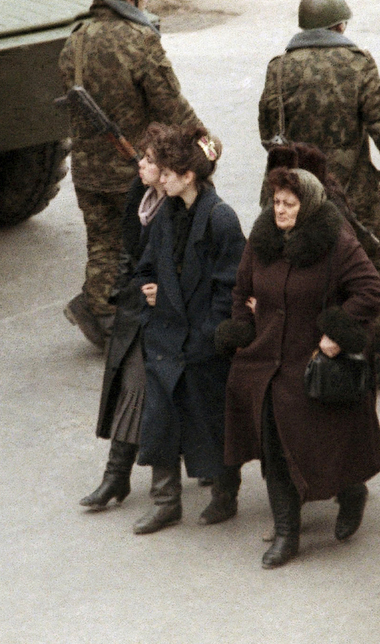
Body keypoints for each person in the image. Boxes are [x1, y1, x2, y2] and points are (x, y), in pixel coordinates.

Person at [218, 167, 380, 568]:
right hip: (267, 360)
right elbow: (242, 288)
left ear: (307, 205)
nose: (280, 210)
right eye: (276, 202)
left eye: (289, 204)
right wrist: (243, 326)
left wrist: (336, 331)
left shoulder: (337, 242)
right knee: (274, 448)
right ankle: (286, 534)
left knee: (328, 445)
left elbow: (370, 289)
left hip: (311, 360)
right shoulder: (262, 240)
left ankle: (351, 493)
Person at [56, 0, 204, 348]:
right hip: (132, 168)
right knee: (147, 243)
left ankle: (100, 311)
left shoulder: (76, 39)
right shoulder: (140, 41)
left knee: (103, 241)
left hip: (87, 169)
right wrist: (204, 140)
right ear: (133, 0)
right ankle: (138, 317)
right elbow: (170, 105)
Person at [130, 127, 245, 534]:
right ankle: (166, 502)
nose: (160, 177)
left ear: (189, 175)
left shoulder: (220, 219)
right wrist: (147, 289)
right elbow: (146, 264)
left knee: (213, 424)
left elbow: (231, 288)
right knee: (160, 422)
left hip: (200, 346)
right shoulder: (167, 214)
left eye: (168, 172)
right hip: (166, 337)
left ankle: (224, 495)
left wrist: (207, 338)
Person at [257, 0, 380, 231]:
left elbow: (268, 133)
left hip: (293, 195)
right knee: (356, 264)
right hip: (349, 201)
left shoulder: (279, 68)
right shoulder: (358, 63)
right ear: (340, 26)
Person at [79, 125, 168, 509]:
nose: (140, 165)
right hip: (137, 308)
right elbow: (127, 249)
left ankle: (207, 481)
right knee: (133, 386)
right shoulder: (141, 197)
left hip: (171, 315)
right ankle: (116, 477)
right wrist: (122, 287)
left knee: (172, 399)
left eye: (148, 160)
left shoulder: (188, 208)